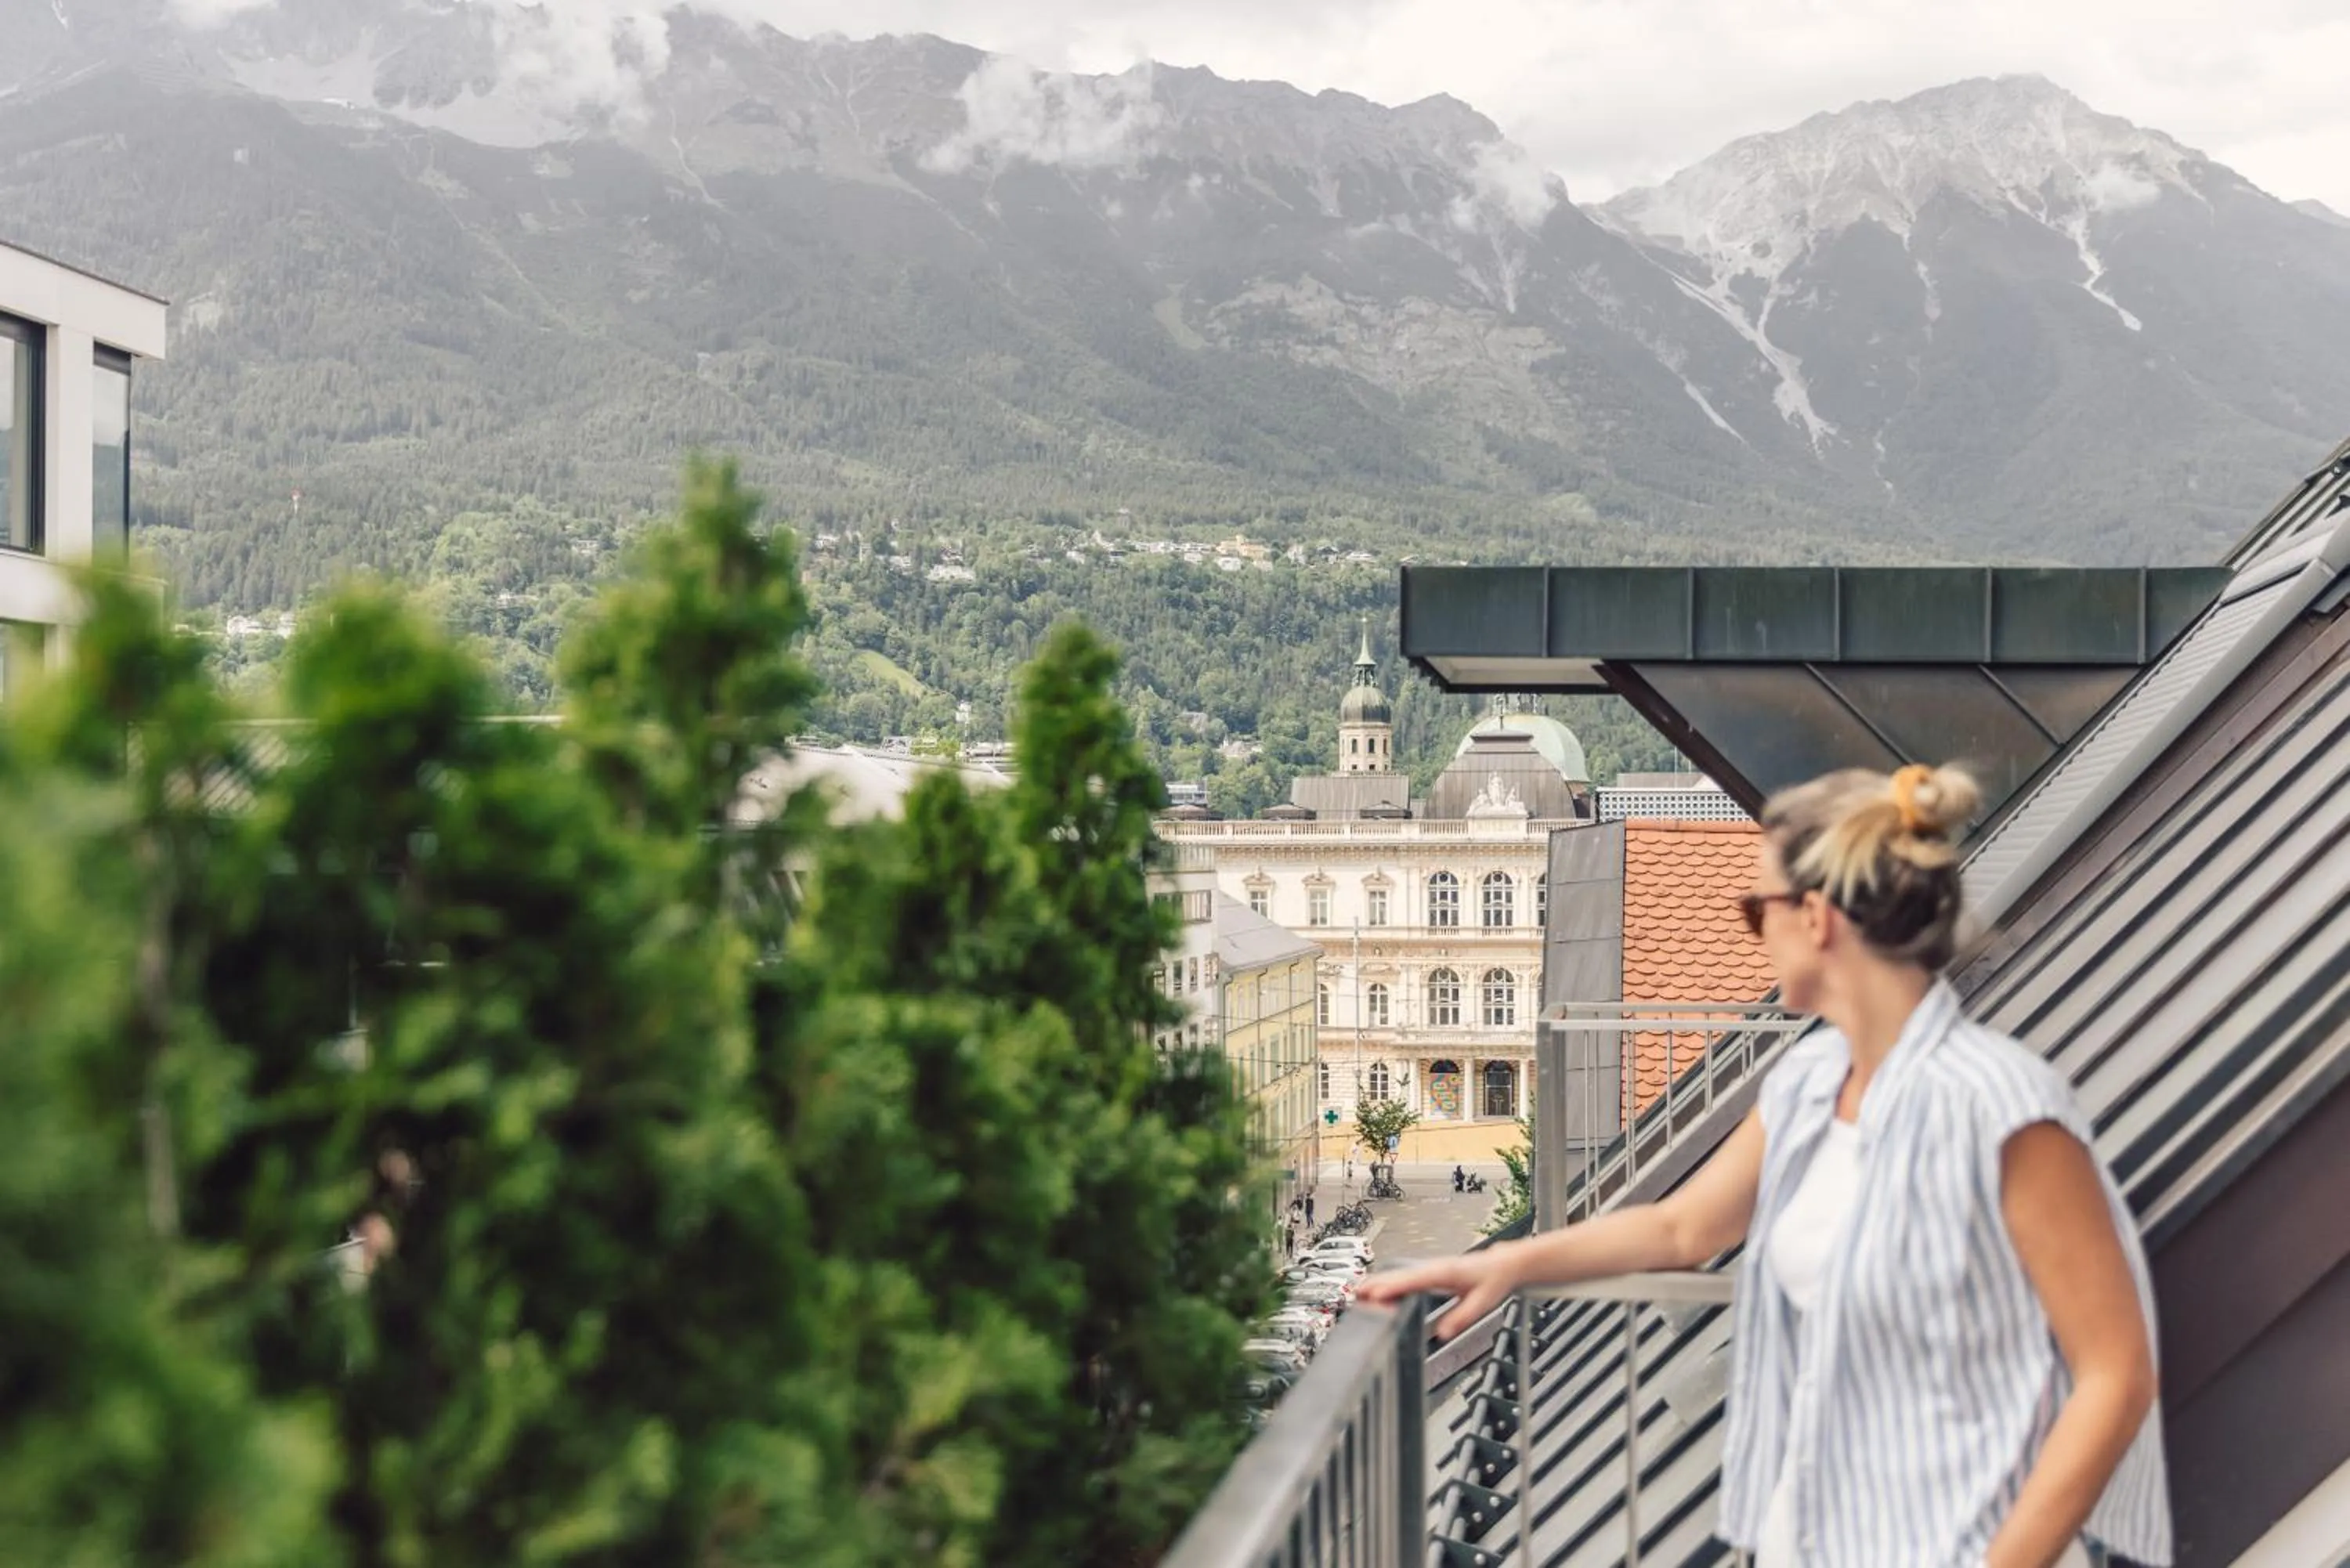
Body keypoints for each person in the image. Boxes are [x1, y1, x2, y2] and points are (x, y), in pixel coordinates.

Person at [1359, 764, 2169, 1568]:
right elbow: (1684, 1226)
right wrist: (1508, 1262)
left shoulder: (1999, 1109)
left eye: (1756, 908)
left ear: (1815, 917)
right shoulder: (1814, 1084)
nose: (1750, 930)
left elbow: (2116, 1372)